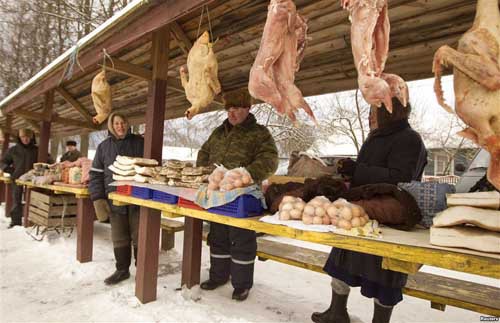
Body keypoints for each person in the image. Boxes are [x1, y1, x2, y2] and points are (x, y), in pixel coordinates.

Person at [312, 98, 427, 323]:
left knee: (385, 274)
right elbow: (372, 171)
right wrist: (350, 171)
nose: (369, 116)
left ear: (390, 112)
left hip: (388, 218)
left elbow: (401, 178)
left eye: (374, 111)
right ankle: (337, 313)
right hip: (361, 211)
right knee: (343, 258)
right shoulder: (377, 137)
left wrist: (359, 170)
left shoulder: (409, 139)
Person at [196, 88, 279, 301]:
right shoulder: (218, 132)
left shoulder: (259, 133)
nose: (232, 114)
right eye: (229, 109)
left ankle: (241, 284)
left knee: (241, 239)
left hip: (243, 196)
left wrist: (246, 173)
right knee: (218, 236)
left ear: (248, 109)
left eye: (237, 109)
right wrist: (206, 173)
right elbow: (204, 153)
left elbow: (270, 160)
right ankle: (218, 276)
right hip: (218, 196)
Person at [89, 112, 144, 285]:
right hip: (113, 199)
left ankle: (142, 270)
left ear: (127, 123)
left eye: (123, 122)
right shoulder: (104, 147)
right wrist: (98, 198)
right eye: (117, 123)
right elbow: (96, 174)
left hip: (136, 198)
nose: (120, 126)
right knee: (119, 236)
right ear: (112, 126)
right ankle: (122, 270)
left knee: (139, 235)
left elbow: (150, 167)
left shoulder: (139, 142)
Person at [0, 128, 38, 228]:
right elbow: (3, 162)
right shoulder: (13, 150)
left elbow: (48, 161)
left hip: (33, 180)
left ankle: (31, 221)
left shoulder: (37, 150)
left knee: (32, 200)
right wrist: (10, 170)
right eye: (23, 137)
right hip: (17, 179)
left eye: (28, 137)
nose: (25, 139)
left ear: (31, 138)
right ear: (19, 137)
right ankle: (16, 222)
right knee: (16, 200)